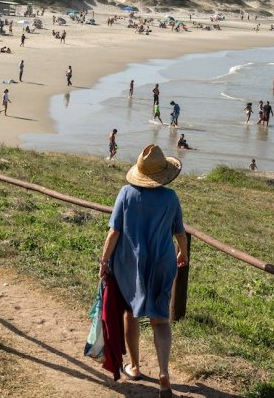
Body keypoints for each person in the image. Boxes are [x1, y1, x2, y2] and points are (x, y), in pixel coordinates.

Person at [98, 144, 188, 397]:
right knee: (160, 319)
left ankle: (135, 367)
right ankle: (164, 374)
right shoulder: (170, 197)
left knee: (131, 313)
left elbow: (114, 231)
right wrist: (183, 252)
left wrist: (104, 261)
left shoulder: (126, 193)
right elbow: (179, 231)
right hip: (162, 261)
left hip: (130, 263)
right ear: (163, 173)